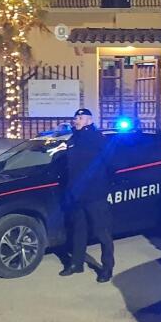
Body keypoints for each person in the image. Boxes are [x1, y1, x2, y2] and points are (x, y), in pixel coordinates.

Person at [59, 108, 115, 283]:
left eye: (81, 117)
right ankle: (76, 264)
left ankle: (107, 267)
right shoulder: (74, 139)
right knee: (78, 230)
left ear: (89, 120)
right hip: (76, 194)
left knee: (101, 232)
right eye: (76, 117)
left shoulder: (97, 139)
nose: (77, 120)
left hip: (94, 194)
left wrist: (102, 185)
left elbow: (111, 163)